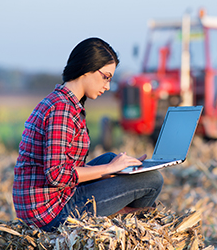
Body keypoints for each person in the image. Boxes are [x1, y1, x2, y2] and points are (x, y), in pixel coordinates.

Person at [13, 37, 163, 232]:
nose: (108, 86)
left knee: (115, 160)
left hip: (51, 200)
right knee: (152, 180)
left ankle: (121, 217)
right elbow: (57, 175)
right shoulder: (62, 109)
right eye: (106, 77)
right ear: (87, 68)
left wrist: (116, 166)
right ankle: (126, 223)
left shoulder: (62, 102)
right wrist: (110, 169)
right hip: (50, 212)